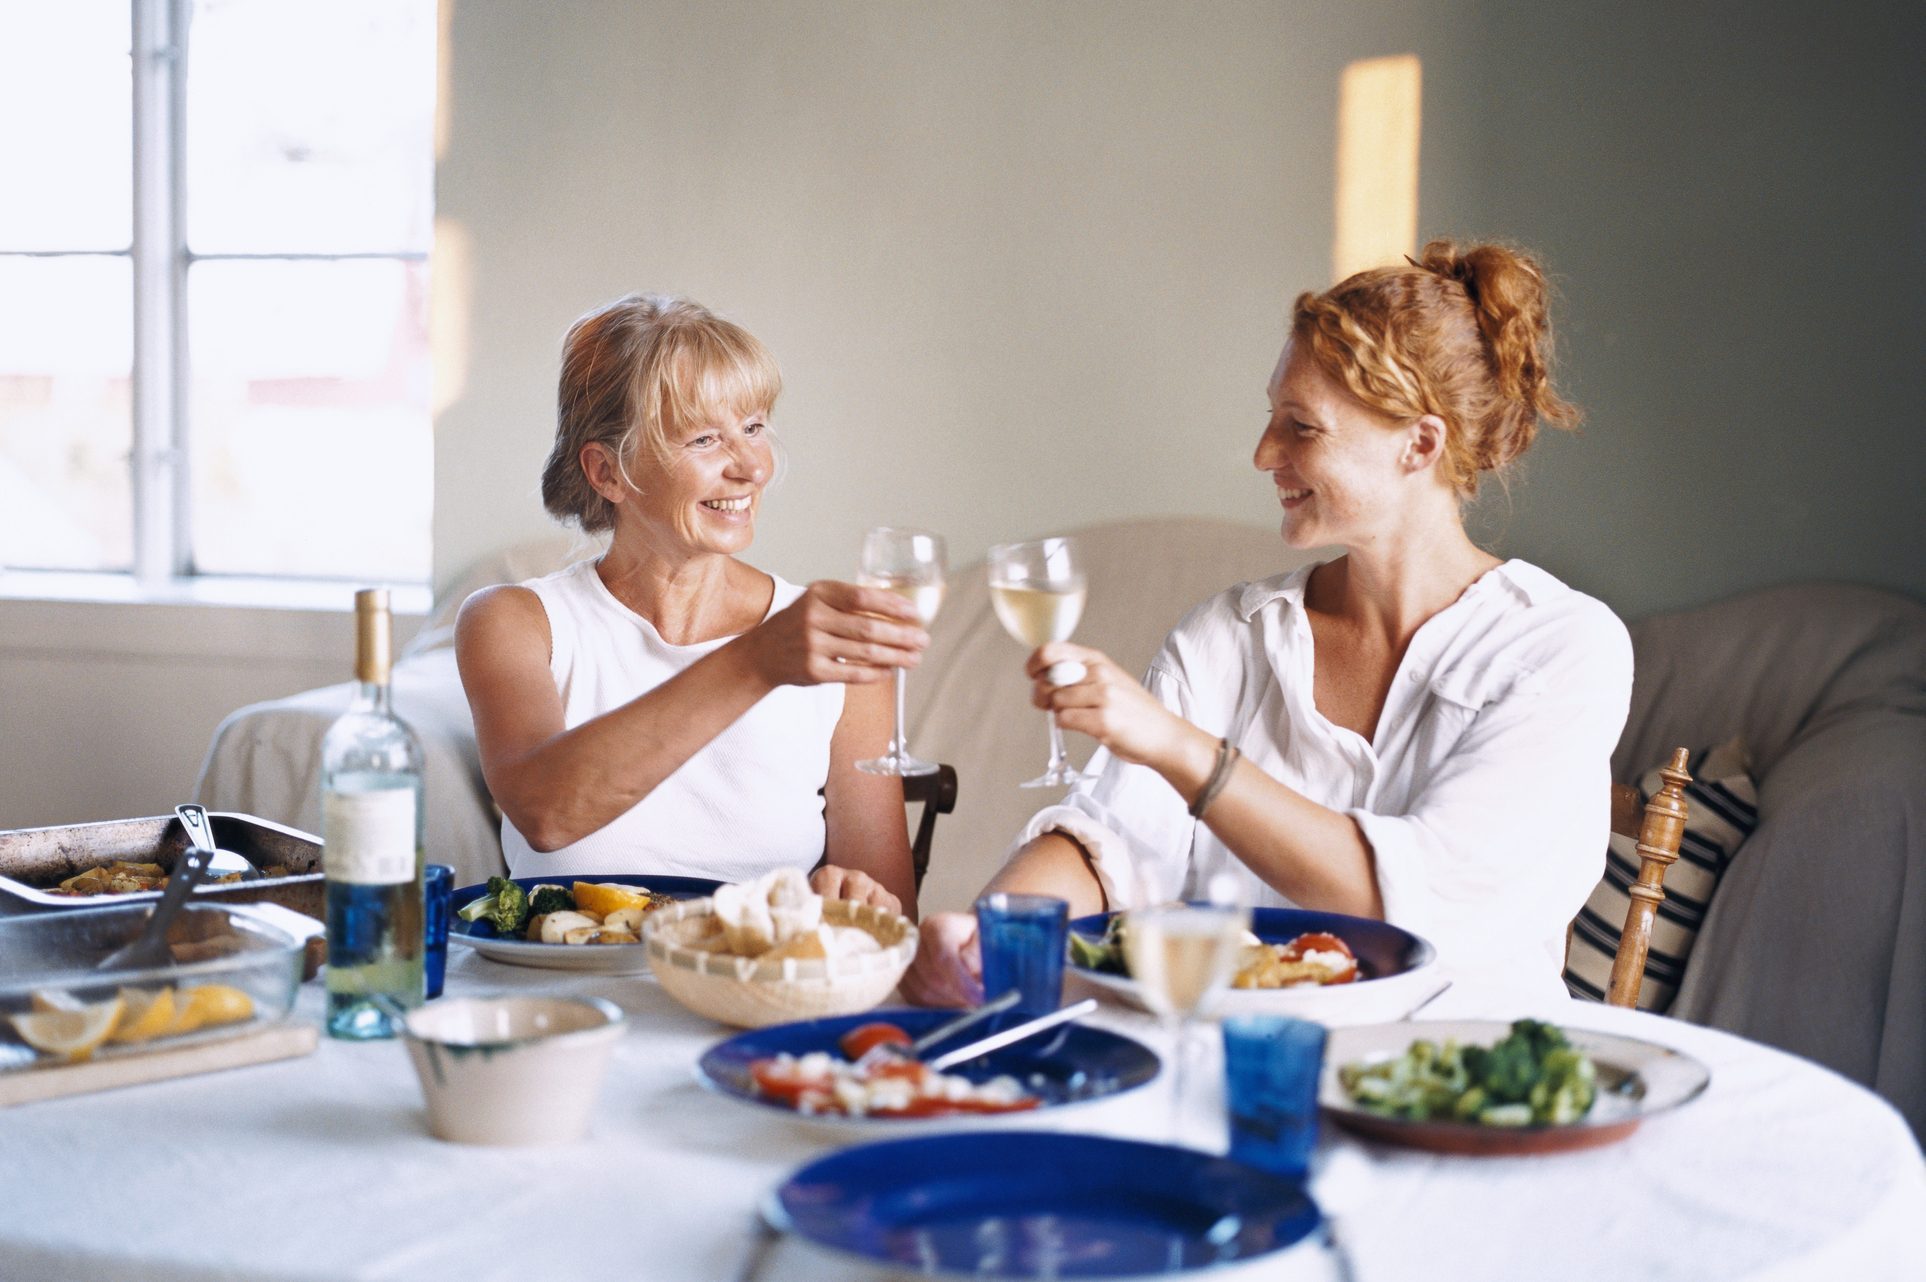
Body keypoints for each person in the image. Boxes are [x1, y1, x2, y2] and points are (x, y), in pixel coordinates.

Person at [901, 241, 1632, 1005]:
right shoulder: (1230, 635)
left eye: (1301, 428)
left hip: (1460, 1094)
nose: (1262, 453)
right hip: (1237, 1071)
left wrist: (1184, 750)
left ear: (1420, 443)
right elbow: (1108, 841)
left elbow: (1410, 901)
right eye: (1270, 418)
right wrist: (992, 936)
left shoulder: (1559, 648)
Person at [455, 294, 923, 914]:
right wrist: (758, 661)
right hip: (570, 1004)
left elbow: (891, 916)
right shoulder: (515, 623)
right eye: (705, 439)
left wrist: (850, 901)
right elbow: (546, 812)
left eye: (754, 427)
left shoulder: (833, 647)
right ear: (607, 473)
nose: (753, 468)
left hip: (751, 998)